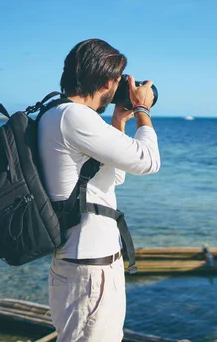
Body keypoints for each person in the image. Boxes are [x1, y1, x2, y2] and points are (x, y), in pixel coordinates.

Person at [38, 39, 161, 341]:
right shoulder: (73, 117)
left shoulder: (58, 114)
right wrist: (143, 107)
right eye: (120, 80)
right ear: (108, 81)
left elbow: (112, 178)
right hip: (89, 266)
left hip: (87, 263)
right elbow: (148, 160)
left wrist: (119, 120)